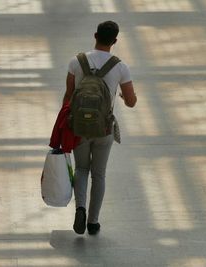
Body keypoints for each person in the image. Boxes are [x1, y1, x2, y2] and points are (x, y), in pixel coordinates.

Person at [63, 21, 137, 235]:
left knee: (81, 169)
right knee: (99, 174)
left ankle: (80, 208)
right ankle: (93, 222)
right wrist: (122, 96)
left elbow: (68, 95)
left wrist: (64, 124)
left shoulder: (76, 62)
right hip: (103, 128)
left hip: (79, 127)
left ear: (95, 35)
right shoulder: (121, 67)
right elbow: (131, 102)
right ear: (115, 41)